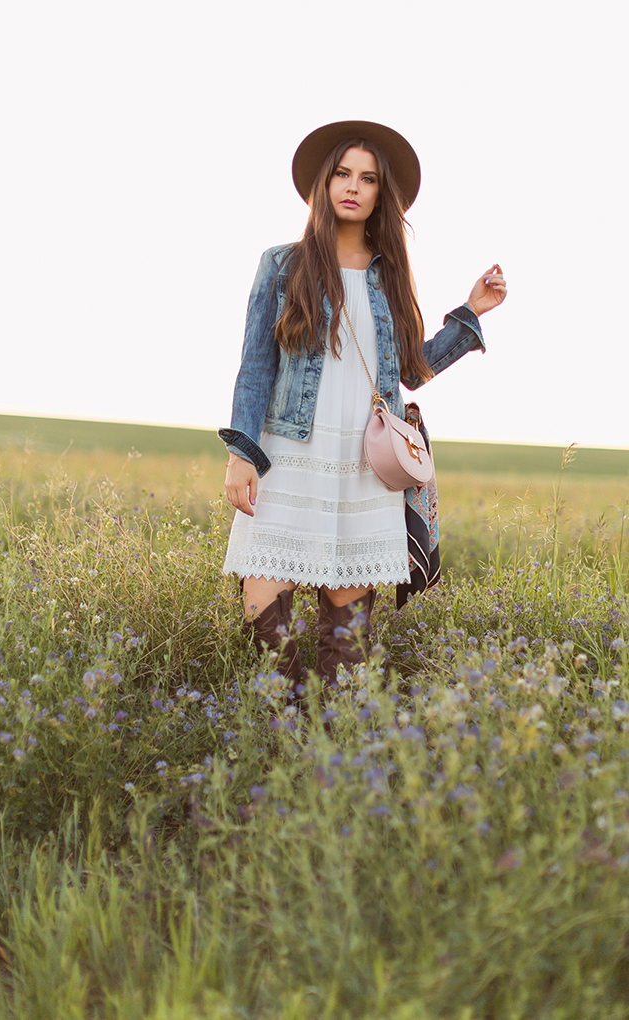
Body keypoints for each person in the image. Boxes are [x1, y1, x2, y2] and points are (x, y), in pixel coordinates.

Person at [218, 120, 506, 691]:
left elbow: (409, 370)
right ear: (325, 185)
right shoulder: (281, 264)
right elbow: (256, 365)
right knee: (261, 603)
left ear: (381, 194)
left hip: (365, 462)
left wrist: (471, 314)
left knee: (348, 626)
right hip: (288, 451)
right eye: (343, 174)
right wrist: (242, 453)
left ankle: (332, 736)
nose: (353, 186)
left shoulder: (389, 276)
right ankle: (292, 715)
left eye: (367, 178)